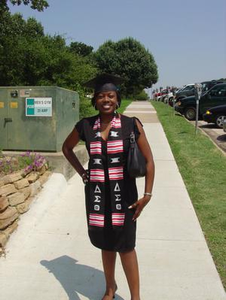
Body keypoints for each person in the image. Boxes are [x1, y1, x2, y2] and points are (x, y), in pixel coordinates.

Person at [62, 74, 155, 300]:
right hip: (97, 196)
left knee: (126, 246)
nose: (106, 100)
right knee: (106, 243)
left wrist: (147, 195)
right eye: (101, 96)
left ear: (117, 99)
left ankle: (135, 297)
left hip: (125, 196)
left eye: (110, 96)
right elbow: (67, 148)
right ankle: (110, 289)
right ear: (95, 100)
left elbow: (149, 160)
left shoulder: (130, 125)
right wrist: (84, 173)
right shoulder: (85, 125)